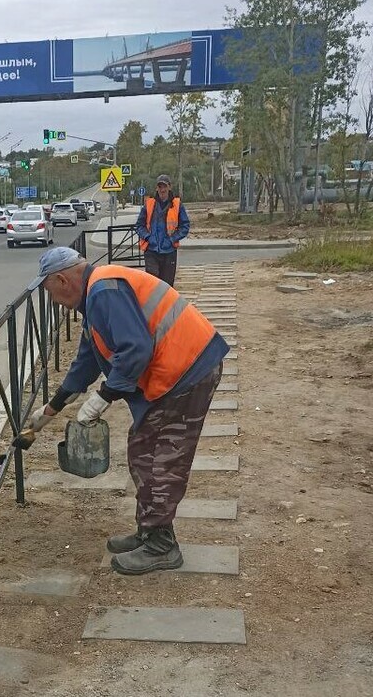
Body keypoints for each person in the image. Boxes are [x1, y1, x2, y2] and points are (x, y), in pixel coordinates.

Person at [28, 247, 227, 576]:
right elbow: (86, 361)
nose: (53, 301)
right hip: (175, 374)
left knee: (162, 458)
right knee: (142, 449)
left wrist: (104, 396)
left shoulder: (104, 291)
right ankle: (151, 531)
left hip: (188, 371)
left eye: (49, 292)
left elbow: (135, 348)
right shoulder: (95, 299)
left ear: (62, 280)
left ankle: (162, 546)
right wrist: (52, 408)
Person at [134, 174, 189, 287]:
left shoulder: (177, 205)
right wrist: (148, 237)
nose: (162, 189)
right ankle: (153, 305)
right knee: (152, 283)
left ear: (169, 187)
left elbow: (185, 226)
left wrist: (173, 238)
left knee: (167, 285)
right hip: (151, 250)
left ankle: (166, 305)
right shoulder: (149, 205)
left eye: (164, 186)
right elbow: (139, 225)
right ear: (156, 188)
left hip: (169, 250)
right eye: (160, 186)